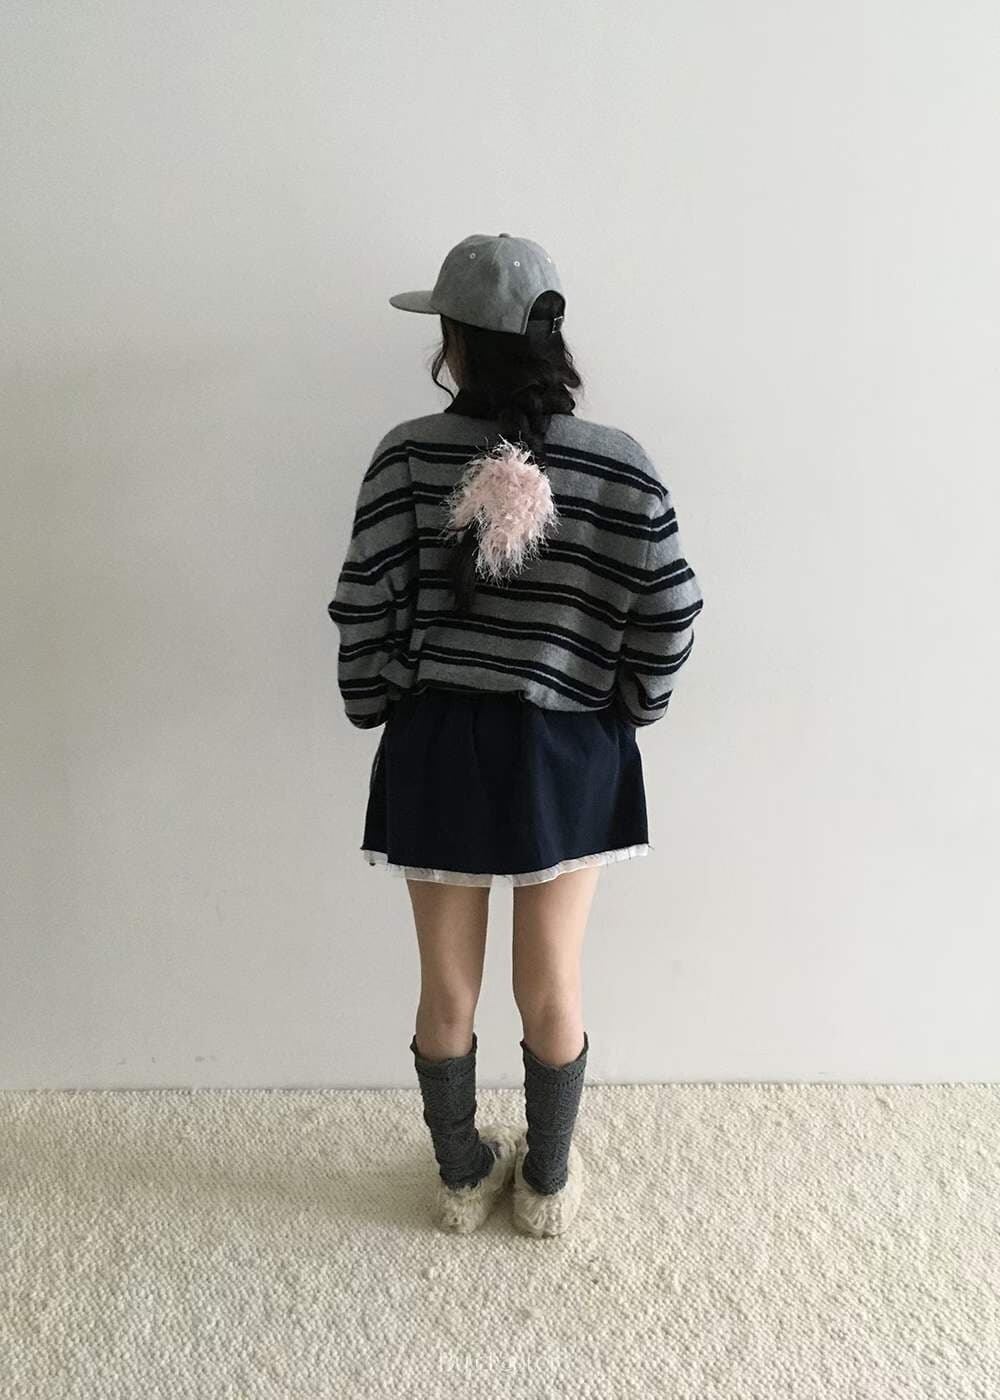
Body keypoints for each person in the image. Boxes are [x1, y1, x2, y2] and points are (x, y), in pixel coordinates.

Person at [327, 232, 704, 1237]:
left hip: (438, 743)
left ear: (452, 341)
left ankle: (460, 1179)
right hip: (566, 752)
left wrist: (379, 700)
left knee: (446, 986)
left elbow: (363, 604)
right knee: (552, 982)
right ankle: (545, 1183)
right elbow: (670, 610)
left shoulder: (408, 454)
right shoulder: (620, 462)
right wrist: (626, 707)